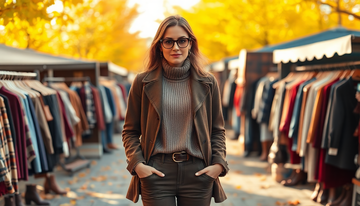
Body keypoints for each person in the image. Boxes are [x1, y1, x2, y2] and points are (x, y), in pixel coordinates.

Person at [122, 15, 229, 206]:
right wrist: (138, 165)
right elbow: (130, 131)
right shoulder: (142, 82)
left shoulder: (208, 82)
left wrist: (218, 165)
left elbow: (217, 130)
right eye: (168, 42)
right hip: (156, 172)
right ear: (159, 46)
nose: (176, 47)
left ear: (190, 44)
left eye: (182, 41)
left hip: (198, 173)